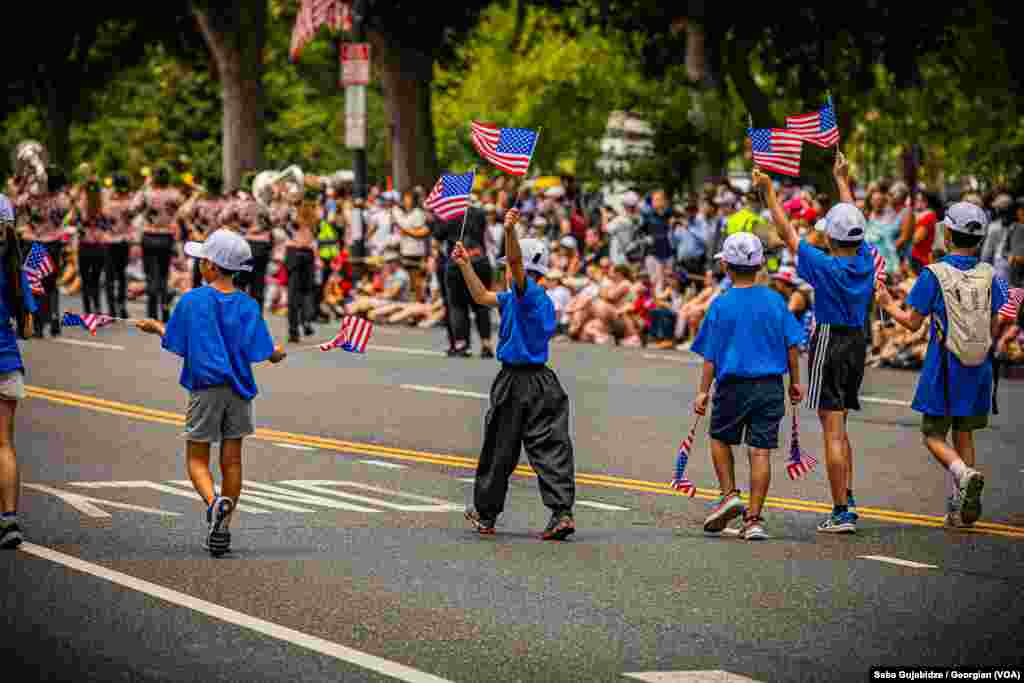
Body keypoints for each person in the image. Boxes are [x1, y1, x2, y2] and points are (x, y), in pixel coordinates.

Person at [135, 229, 286, 556]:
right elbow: (263, 351)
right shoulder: (247, 304)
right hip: (240, 391)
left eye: (203, 258)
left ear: (213, 267)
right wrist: (277, 353)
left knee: (196, 458)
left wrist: (155, 327)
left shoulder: (192, 300)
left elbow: (176, 342)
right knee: (232, 462)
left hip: (206, 389)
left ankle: (213, 501)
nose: (199, 263)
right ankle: (224, 526)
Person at [756, 152, 874, 534]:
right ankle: (848, 497)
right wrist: (842, 180)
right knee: (840, 427)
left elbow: (788, 233)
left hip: (829, 338)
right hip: (858, 341)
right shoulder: (866, 260)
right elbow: (853, 221)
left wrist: (769, 194)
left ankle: (842, 510)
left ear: (832, 236)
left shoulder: (825, 264)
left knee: (832, 429)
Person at [875, 202, 1008, 528]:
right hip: (979, 367)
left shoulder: (933, 274)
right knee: (964, 432)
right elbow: (998, 319)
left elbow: (911, 322)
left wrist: (887, 305)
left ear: (947, 234)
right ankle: (960, 507)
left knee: (933, 434)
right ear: (978, 240)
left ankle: (963, 475)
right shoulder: (990, 274)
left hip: (944, 366)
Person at [455, 207, 576, 540]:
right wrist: (465, 265)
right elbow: (480, 296)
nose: (507, 269)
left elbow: (518, 266)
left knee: (499, 448)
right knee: (552, 446)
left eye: (508, 264)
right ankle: (561, 512)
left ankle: (486, 512)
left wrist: (509, 231)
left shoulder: (529, 295)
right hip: (543, 381)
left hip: (517, 380)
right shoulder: (516, 298)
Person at [692, 233, 803, 540]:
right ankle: (753, 520)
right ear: (759, 264)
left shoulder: (721, 305)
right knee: (760, 452)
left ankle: (729, 494)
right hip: (769, 386)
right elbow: (792, 345)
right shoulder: (775, 301)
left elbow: (711, 356)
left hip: (733, 386)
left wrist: (703, 391)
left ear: (726, 266)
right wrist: (795, 382)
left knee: (719, 438)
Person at [0, 196, 37, 548]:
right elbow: (27, 328)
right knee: (4, 444)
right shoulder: (14, 267)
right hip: (8, 364)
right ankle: (9, 519)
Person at [14, 165, 69, 337]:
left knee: (33, 285)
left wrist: (25, 186)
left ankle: (37, 325)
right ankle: (54, 319)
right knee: (51, 284)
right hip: (55, 243)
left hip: (36, 243)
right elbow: (64, 212)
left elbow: (17, 203)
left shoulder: (34, 195)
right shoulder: (62, 199)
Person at [132, 165, 184, 322]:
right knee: (163, 275)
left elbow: (134, 207)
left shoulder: (146, 194)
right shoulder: (174, 194)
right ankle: (165, 310)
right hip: (166, 236)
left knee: (150, 277)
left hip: (149, 236)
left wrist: (144, 186)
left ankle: (152, 313)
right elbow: (181, 209)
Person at [444, 205, 495, 358]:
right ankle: (486, 344)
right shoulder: (479, 213)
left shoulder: (449, 213)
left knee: (458, 305)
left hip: (458, 260)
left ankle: (462, 344)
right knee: (482, 302)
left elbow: (438, 235)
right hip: (479, 259)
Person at [285, 190, 318, 343]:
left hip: (294, 251)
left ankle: (293, 331)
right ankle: (306, 321)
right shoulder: (313, 215)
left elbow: (286, 227)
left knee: (293, 293)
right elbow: (315, 233)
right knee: (306, 291)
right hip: (308, 252)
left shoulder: (290, 214)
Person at [104, 175, 137, 318]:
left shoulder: (108, 200)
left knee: (110, 276)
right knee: (121, 274)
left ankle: (111, 308)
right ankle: (122, 306)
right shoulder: (131, 201)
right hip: (124, 241)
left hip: (110, 241)